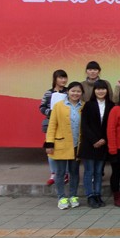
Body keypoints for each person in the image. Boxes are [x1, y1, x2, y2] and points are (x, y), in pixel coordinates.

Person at [44, 81, 84, 210]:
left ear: (82, 93)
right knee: (60, 172)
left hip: (76, 145)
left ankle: (73, 195)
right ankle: (61, 197)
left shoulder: (84, 106)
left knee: (74, 172)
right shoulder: (58, 106)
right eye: (73, 91)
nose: (75, 93)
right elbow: (52, 125)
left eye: (78, 91)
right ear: (68, 91)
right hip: (61, 144)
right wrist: (49, 143)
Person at [79, 80, 114, 208]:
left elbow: (111, 125)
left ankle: (98, 194)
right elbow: (84, 125)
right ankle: (90, 195)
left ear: (107, 91)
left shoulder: (111, 105)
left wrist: (104, 139)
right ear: (94, 91)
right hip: (89, 144)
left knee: (99, 172)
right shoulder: (88, 105)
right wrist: (94, 140)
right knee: (89, 171)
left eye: (103, 89)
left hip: (103, 143)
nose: (101, 91)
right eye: (98, 89)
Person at [39, 69, 68, 186]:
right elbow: (41, 107)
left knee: (65, 148)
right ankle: (54, 173)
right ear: (55, 79)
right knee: (50, 148)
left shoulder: (69, 92)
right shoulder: (48, 93)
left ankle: (65, 173)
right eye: (60, 78)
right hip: (51, 123)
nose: (63, 80)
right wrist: (51, 112)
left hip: (66, 124)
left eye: (65, 78)